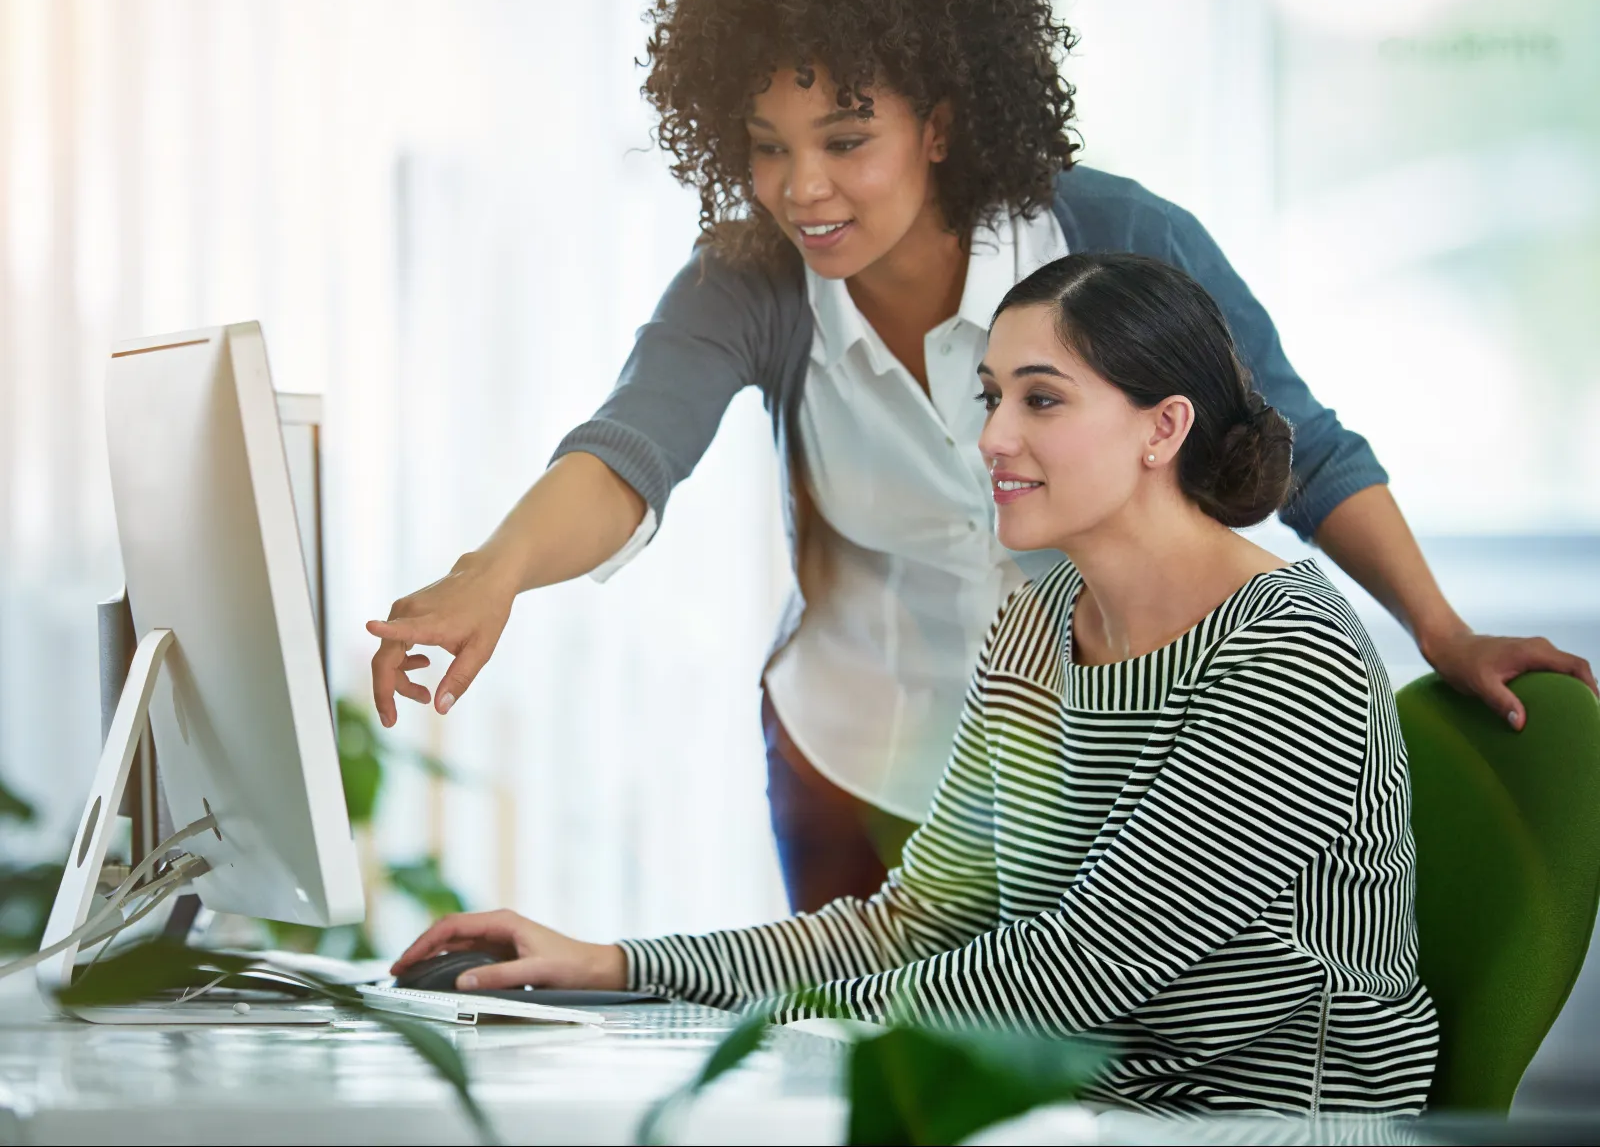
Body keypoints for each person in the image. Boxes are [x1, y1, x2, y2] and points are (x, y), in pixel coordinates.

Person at [367, 0, 1595, 915]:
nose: (803, 189)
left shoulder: (1113, 243)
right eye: (766, 148)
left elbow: (1303, 452)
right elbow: (630, 449)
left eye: (846, 140)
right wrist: (494, 578)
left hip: (1116, 761)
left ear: (941, 123)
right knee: (872, 1086)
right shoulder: (746, 283)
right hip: (861, 761)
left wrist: (1438, 630)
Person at [392, 253, 1440, 1114]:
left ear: (1161, 428)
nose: (990, 437)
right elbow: (918, 923)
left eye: (1041, 399)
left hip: (1265, 1123)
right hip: (1079, 1111)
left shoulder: (1285, 648)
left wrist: (787, 1028)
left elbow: (1081, 971)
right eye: (991, 397)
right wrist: (615, 966)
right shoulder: (1037, 628)